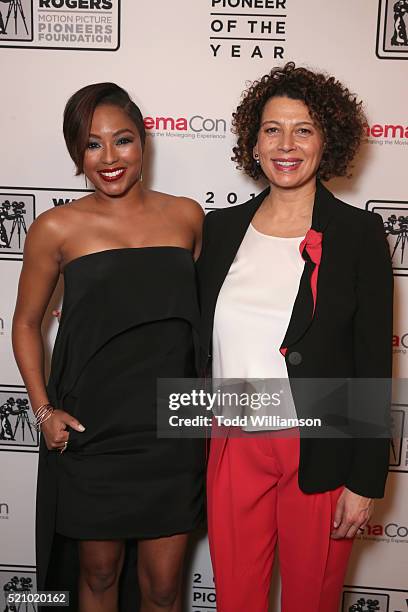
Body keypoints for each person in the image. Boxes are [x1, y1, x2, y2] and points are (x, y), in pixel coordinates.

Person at [196, 62, 393, 612]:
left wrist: (365, 480)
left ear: (326, 140)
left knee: (312, 599)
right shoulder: (218, 229)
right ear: (252, 141)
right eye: (272, 129)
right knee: (237, 599)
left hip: (320, 444)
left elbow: (373, 360)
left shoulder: (358, 233)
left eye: (303, 129)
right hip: (232, 440)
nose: (286, 144)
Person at [12, 82, 205, 612]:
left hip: (173, 430)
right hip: (93, 431)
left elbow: (205, 319)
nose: (109, 158)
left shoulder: (188, 217)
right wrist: (43, 410)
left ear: (144, 141)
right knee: (97, 575)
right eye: (92, 144)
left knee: (164, 587)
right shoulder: (55, 227)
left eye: (122, 140)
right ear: (78, 153)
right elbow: (27, 323)